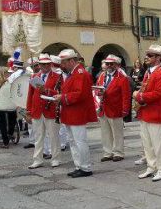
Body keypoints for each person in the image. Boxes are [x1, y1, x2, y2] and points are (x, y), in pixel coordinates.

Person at [54, 49, 97, 177]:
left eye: (64, 62)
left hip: (77, 112)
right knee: (73, 141)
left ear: (72, 61)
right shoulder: (74, 73)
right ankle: (79, 165)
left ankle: (85, 167)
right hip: (71, 111)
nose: (62, 65)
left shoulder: (80, 73)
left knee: (79, 141)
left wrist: (62, 97)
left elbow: (78, 94)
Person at [134, 45, 161, 182]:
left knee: (158, 143)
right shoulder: (148, 71)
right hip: (145, 111)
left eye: (150, 55)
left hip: (155, 113)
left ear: (158, 58)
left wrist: (139, 96)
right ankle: (151, 166)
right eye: (147, 55)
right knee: (147, 143)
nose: (147, 57)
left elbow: (158, 94)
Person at [26, 54, 62, 168]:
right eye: (42, 64)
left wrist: (46, 90)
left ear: (51, 64)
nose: (45, 66)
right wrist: (28, 111)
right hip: (37, 110)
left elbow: (60, 94)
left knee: (53, 136)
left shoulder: (58, 77)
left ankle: (55, 158)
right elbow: (30, 95)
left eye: (47, 64)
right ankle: (37, 159)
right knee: (38, 137)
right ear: (39, 65)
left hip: (50, 109)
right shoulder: (34, 77)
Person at [96, 55, 131, 162]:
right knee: (105, 132)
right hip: (103, 108)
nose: (109, 66)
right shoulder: (102, 75)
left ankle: (118, 152)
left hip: (115, 108)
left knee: (117, 133)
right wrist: (98, 92)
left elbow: (126, 95)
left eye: (112, 64)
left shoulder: (122, 77)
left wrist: (125, 109)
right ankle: (108, 152)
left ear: (117, 65)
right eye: (107, 63)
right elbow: (97, 88)